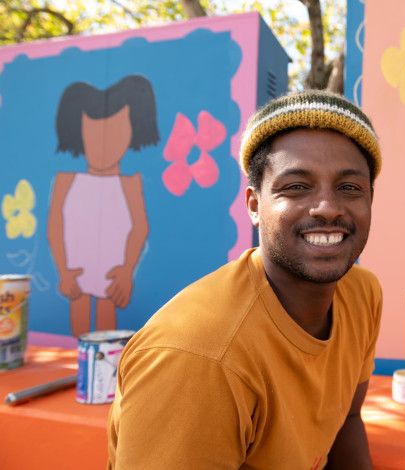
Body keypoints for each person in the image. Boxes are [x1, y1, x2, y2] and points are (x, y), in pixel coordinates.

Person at [108, 90, 382, 469]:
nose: (328, 208)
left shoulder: (363, 294)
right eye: (297, 186)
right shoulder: (196, 357)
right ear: (255, 206)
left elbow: (347, 423)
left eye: (349, 188)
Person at [48, 75, 158, 336]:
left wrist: (126, 271)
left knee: (107, 315)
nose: (103, 146)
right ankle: (81, 365)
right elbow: (55, 225)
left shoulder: (130, 183)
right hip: (76, 268)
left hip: (112, 270)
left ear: (132, 132)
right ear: (79, 132)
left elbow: (139, 227)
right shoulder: (66, 180)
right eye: (92, 133)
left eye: (118, 132)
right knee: (79, 308)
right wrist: (63, 270)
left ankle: (104, 370)